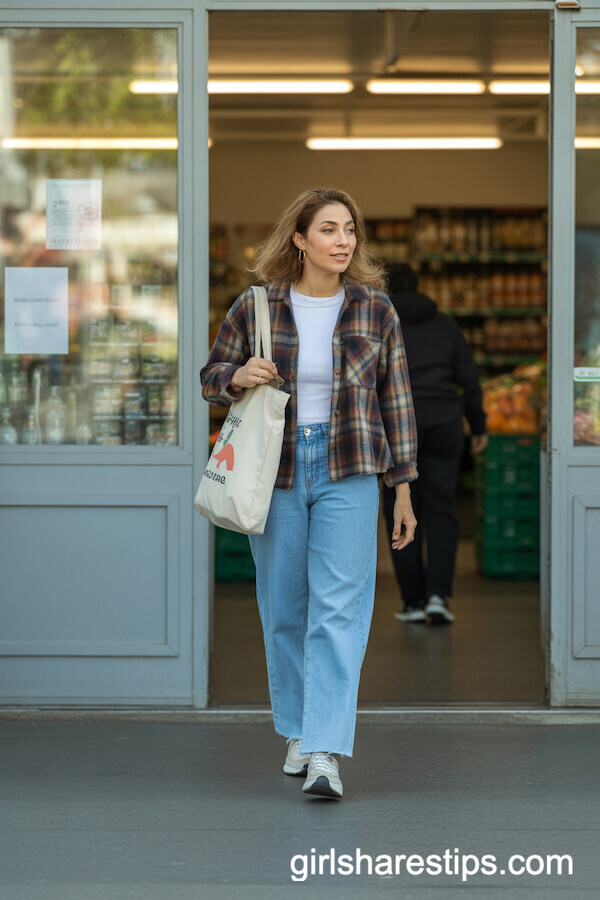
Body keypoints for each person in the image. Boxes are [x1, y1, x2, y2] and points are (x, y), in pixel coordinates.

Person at [201, 188, 417, 799]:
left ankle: (324, 751)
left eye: (350, 229)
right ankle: (296, 731)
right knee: (285, 609)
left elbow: (395, 401)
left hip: (351, 468)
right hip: (279, 468)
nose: (343, 240)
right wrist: (239, 375)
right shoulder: (257, 307)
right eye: (328, 229)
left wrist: (403, 487)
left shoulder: (376, 310)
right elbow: (211, 377)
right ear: (299, 240)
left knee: (339, 612)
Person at [382, 263, 488, 626]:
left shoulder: (381, 322)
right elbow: (469, 380)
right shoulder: (445, 325)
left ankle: (412, 602)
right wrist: (478, 426)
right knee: (441, 509)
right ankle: (438, 597)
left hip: (397, 426)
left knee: (399, 510)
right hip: (444, 423)